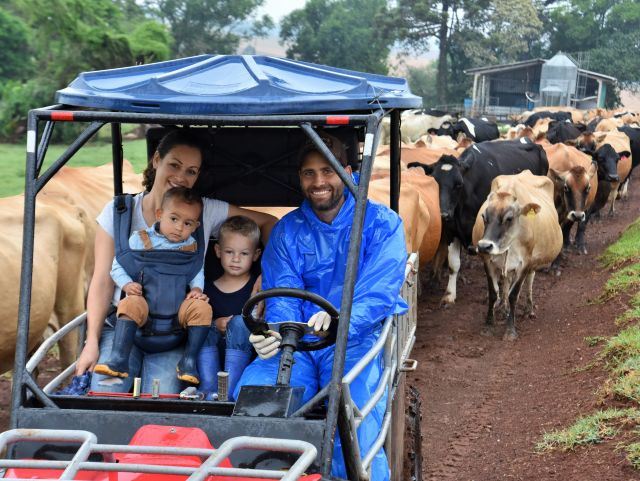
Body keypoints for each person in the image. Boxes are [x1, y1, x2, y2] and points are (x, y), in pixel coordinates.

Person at [233, 132, 408, 481]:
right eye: (309, 173)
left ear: (346, 172)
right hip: (298, 343)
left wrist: (341, 320)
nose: (319, 182)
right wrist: (281, 335)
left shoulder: (382, 225)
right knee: (254, 403)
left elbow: (376, 295)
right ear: (300, 179)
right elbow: (282, 295)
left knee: (353, 419)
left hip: (355, 339)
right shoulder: (288, 231)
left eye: (327, 171)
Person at [75, 128, 276, 395]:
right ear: (156, 160)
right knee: (105, 394)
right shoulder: (119, 212)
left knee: (164, 401)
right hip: (122, 327)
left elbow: (268, 222)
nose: (181, 177)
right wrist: (91, 343)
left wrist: (267, 272)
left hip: (173, 332)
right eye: (174, 165)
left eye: (191, 171)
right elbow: (102, 279)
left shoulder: (205, 211)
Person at [94, 186, 212, 385]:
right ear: (160, 215)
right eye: (173, 219)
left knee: (202, 308)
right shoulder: (140, 240)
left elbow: (197, 272)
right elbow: (117, 267)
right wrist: (127, 284)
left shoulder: (191, 248)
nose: (179, 227)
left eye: (187, 223)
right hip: (144, 309)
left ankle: (188, 361)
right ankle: (119, 358)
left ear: (195, 226)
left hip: (175, 315)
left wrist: (196, 290)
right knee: (130, 303)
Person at [196, 215, 261, 400]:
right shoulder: (206, 288)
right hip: (213, 354)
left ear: (256, 255)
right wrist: (215, 324)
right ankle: (208, 388)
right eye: (229, 252)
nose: (236, 259)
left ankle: (230, 390)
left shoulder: (257, 289)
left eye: (244, 253)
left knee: (240, 323)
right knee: (201, 323)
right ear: (217, 251)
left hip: (245, 356)